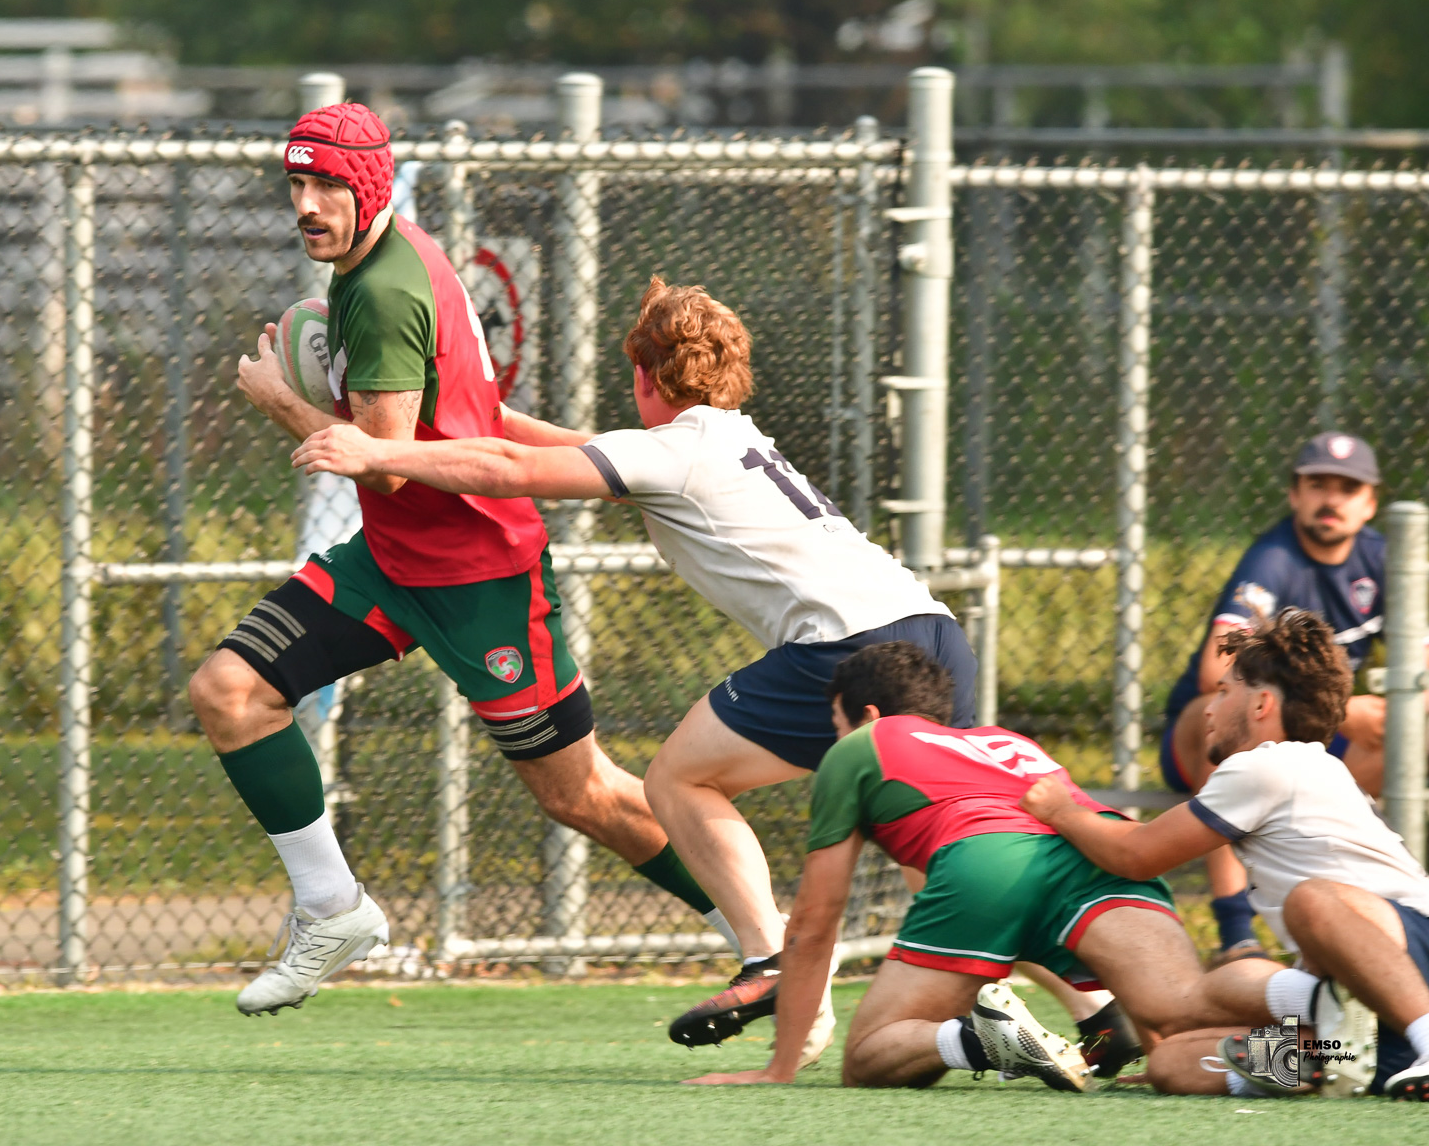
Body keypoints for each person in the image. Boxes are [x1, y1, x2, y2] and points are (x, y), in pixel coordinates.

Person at [293, 283, 1134, 1071]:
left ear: (645, 375)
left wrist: (380, 448)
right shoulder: (731, 436)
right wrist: (492, 415)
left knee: (678, 779)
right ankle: (1101, 1004)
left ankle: (769, 958)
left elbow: (518, 474)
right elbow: (574, 453)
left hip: (845, 648)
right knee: (937, 848)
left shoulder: (676, 452)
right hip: (931, 630)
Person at [194, 103, 722, 1017]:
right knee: (231, 693)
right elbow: (475, 417)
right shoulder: (399, 259)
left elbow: (385, 466)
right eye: (297, 184)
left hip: (481, 575)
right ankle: (332, 909)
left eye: (327, 185)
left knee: (584, 795)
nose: (308, 205)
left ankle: (764, 934)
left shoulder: (388, 292)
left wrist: (279, 398)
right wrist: (606, 457)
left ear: (369, 188)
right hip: (392, 566)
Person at [682, 642, 1254, 1092]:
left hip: (987, 860)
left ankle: (982, 1039)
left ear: (869, 715)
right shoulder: (1006, 740)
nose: (835, 739)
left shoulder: (864, 744)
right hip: (1103, 854)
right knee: (1176, 1046)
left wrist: (780, 1067)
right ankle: (1325, 1051)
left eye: (837, 724)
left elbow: (815, 918)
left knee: (869, 1058)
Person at [1023, 607, 1429, 1100]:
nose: (1210, 710)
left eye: (1223, 691)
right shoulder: (1307, 767)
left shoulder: (1269, 766)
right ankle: (1328, 1061)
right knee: (1172, 1061)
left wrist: (1061, 809)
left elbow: (1136, 854)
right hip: (1371, 1017)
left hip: (1411, 954)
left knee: (1311, 902)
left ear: (1260, 704)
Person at [1159, 433, 1387, 965]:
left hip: (1315, 740)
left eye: (1348, 488)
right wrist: (1341, 708)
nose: (1331, 499)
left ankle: (1331, 903)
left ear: (1369, 502)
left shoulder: (1385, 559)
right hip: (1218, 733)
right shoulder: (1271, 560)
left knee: (1401, 730)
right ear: (1294, 494)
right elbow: (1216, 673)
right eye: (1317, 485)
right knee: (1225, 717)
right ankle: (1236, 933)